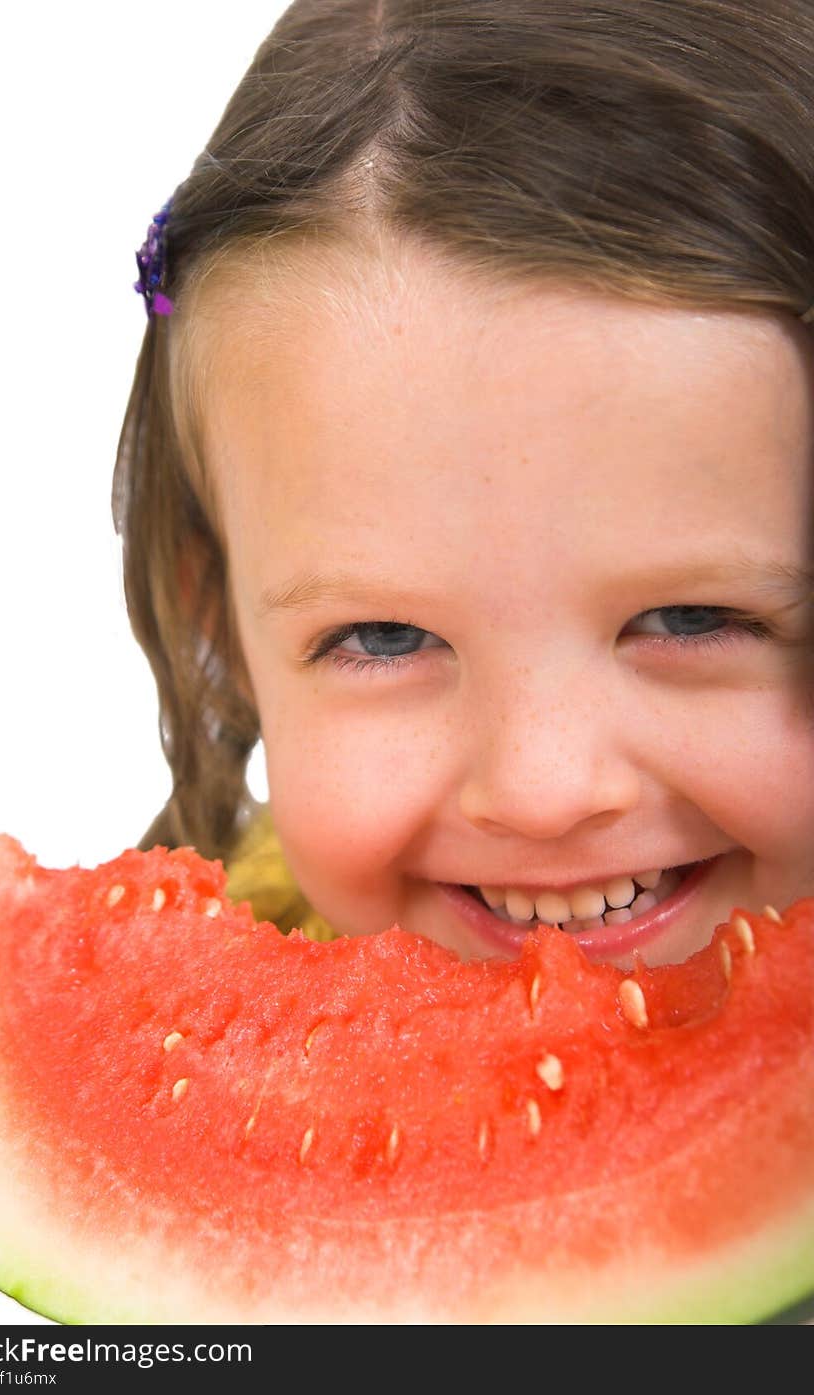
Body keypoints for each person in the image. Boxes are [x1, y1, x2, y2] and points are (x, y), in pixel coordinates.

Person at [115, 0, 814, 970]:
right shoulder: (182, 1030)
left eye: (692, 618)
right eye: (385, 637)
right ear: (223, 637)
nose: (542, 791)